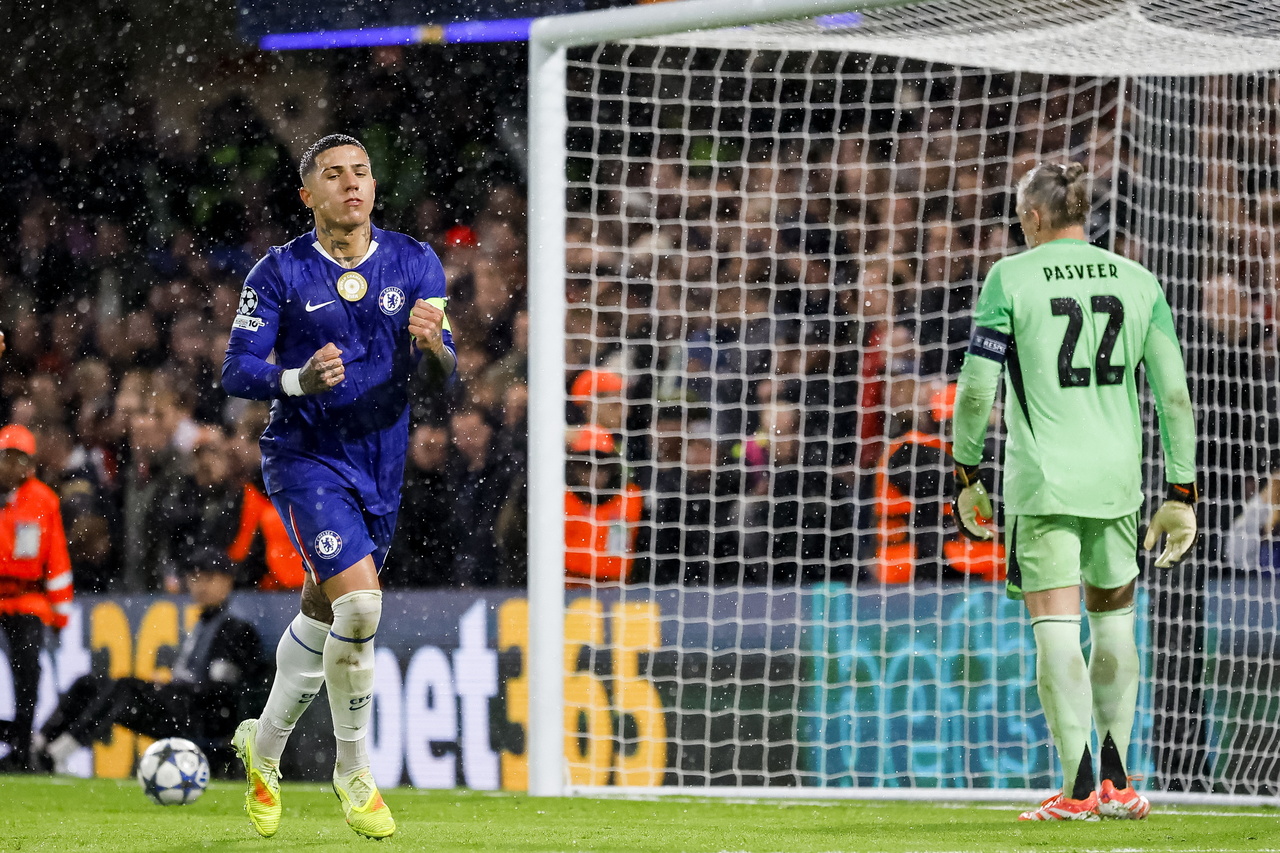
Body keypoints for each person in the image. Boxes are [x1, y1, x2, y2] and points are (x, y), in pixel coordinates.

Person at [221, 133, 456, 840]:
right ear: (309, 195)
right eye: (334, 174)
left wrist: (433, 346)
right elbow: (237, 369)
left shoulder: (415, 261)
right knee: (359, 604)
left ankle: (262, 749)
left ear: (374, 186)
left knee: (325, 611)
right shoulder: (279, 271)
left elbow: (445, 374)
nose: (351, 183)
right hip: (306, 456)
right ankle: (354, 770)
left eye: (361, 172)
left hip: (381, 464)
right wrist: (296, 380)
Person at [950, 161, 1198, 821]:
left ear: (1033, 216)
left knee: (1056, 629)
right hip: (1118, 484)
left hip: (1044, 484)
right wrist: (1182, 491)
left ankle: (1079, 788)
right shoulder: (1139, 280)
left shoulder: (1010, 278)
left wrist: (966, 473)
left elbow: (975, 391)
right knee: (1115, 623)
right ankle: (1119, 783)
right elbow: (1174, 394)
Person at [34, 547, 267, 775]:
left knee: (125, 688)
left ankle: (59, 753)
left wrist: (172, 688)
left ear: (227, 581)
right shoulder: (205, 620)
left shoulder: (235, 628)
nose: (200, 586)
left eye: (207, 578)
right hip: (183, 705)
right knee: (88, 684)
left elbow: (221, 693)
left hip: (203, 717)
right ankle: (40, 742)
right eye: (194, 578)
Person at [0, 425, 73, 772]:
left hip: (28, 598)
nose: (13, 466)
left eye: (20, 459)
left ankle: (21, 747)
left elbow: (56, 561)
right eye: (7, 458)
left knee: (28, 669)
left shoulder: (44, 501)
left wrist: (60, 613)